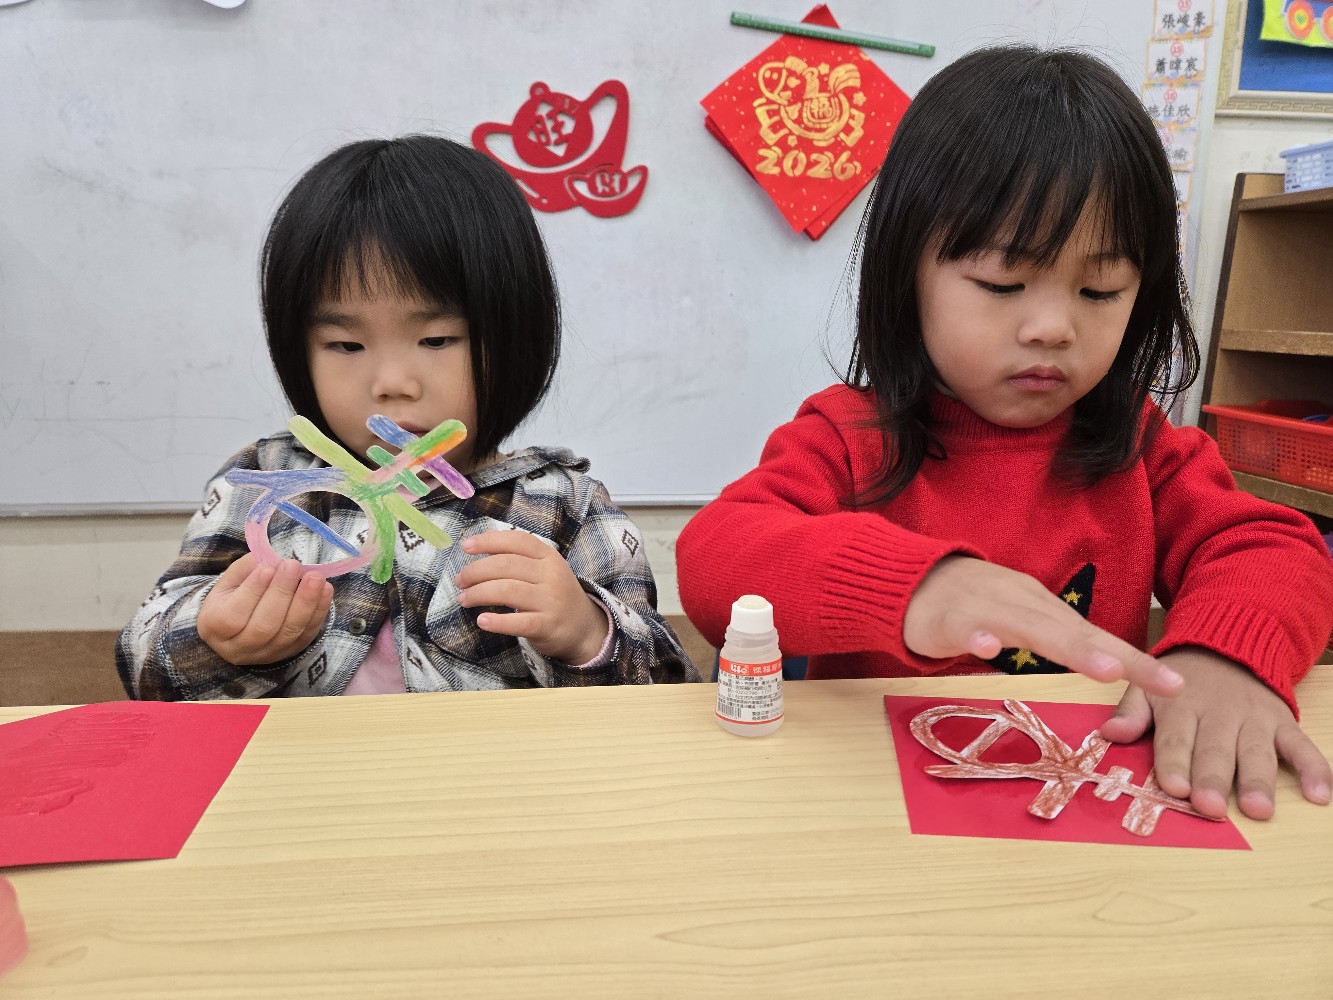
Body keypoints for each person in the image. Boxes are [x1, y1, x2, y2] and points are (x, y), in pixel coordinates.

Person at [676, 46, 1333, 820]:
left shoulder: (1139, 442)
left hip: (1079, 806)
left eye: (1099, 289)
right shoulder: (849, 436)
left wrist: (1221, 652)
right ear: (906, 276)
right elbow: (717, 558)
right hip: (865, 805)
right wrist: (911, 588)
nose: (1052, 327)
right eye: (1001, 282)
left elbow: (1273, 546)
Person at [118, 135, 697, 699]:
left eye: (437, 339)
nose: (392, 383)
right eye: (346, 345)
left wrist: (587, 634)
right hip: (306, 764)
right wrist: (211, 637)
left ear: (515, 337)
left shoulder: (563, 504)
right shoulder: (266, 483)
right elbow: (141, 665)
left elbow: (668, 694)